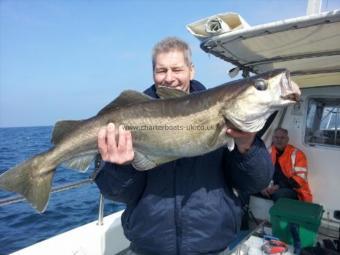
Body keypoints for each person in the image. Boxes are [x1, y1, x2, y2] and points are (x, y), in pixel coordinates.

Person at [94, 37, 274, 255]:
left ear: (191, 70)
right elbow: (118, 194)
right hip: (149, 247)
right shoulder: (126, 120)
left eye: (177, 69)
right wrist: (119, 167)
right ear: (153, 73)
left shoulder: (224, 114)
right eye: (161, 70)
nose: (169, 78)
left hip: (212, 246)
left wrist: (248, 145)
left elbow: (255, 183)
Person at [261, 127, 312, 202]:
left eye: (282, 138)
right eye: (276, 137)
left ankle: (277, 214)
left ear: (287, 139)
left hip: (294, 190)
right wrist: (262, 187)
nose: (279, 140)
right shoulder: (268, 152)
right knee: (248, 188)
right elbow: (260, 173)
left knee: (280, 195)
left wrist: (278, 186)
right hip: (271, 187)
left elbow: (299, 179)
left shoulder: (298, 154)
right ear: (273, 139)